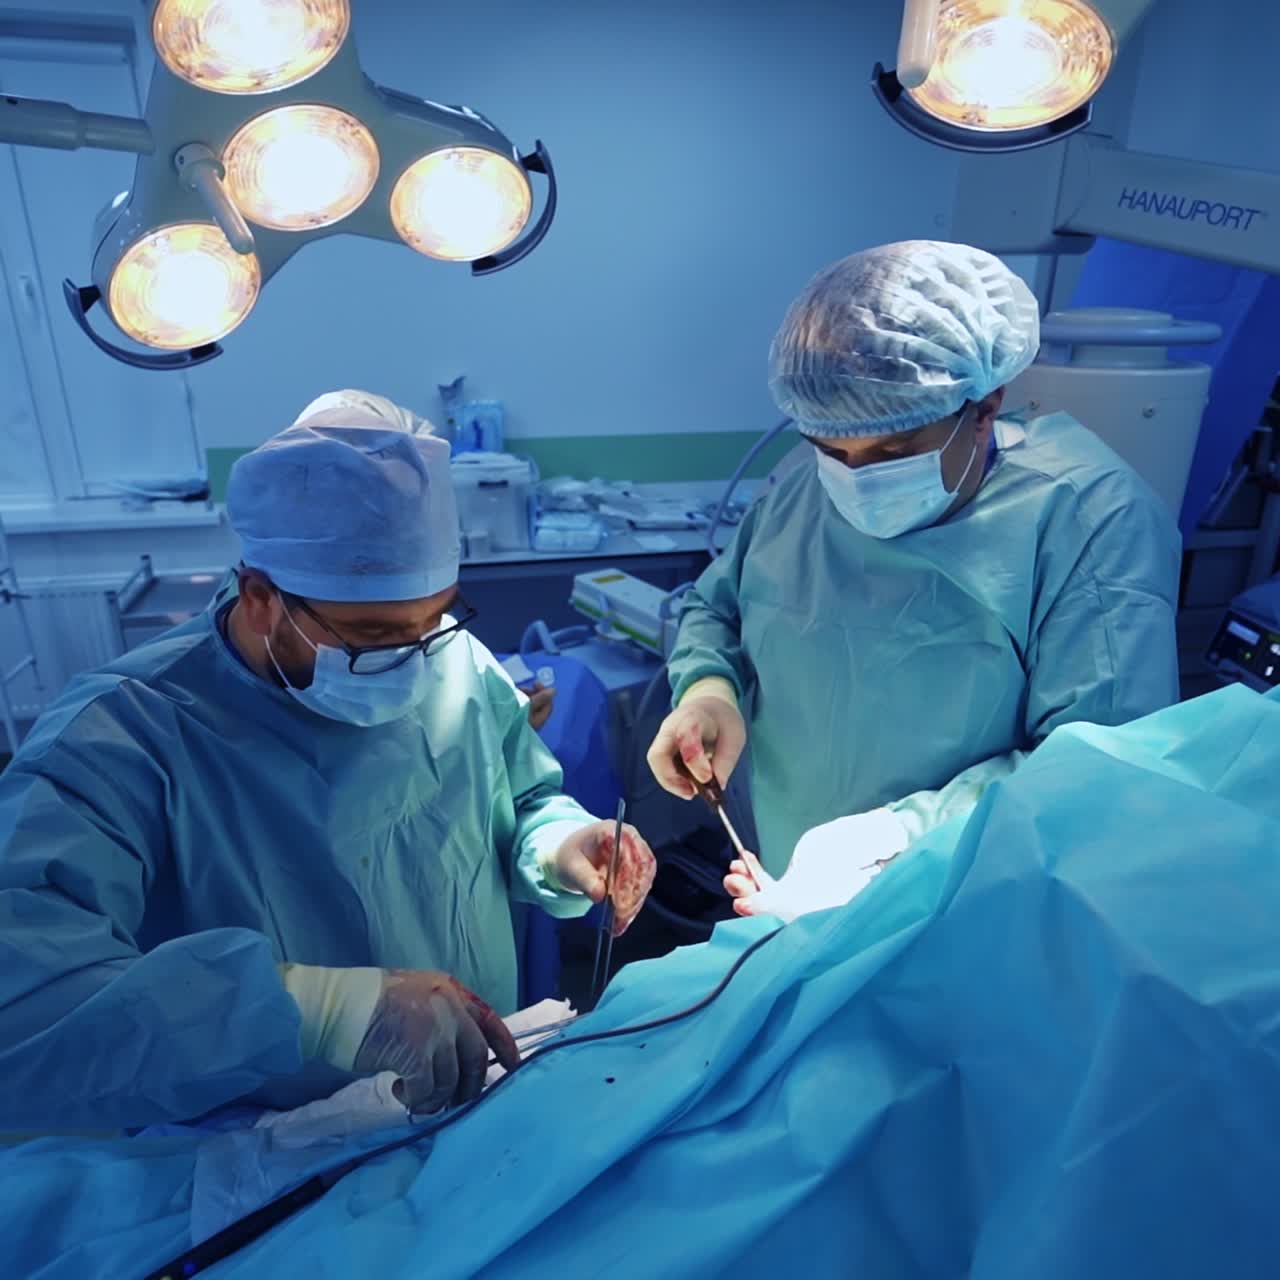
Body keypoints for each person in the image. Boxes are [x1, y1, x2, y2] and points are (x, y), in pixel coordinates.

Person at [0, 390, 655, 1130]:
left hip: (468, 1098)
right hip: (261, 1145)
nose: (412, 656)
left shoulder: (456, 665)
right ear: (258, 598)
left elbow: (523, 800)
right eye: (372, 635)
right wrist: (331, 1013)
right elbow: (26, 997)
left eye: (434, 615)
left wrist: (566, 849)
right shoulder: (123, 735)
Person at [647, 240, 1181, 920]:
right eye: (829, 449)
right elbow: (716, 608)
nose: (853, 476)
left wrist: (894, 843)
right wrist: (709, 693)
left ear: (985, 405)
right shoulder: (802, 495)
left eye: (894, 450)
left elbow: (1097, 771)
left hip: (974, 902)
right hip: (797, 896)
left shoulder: (1086, 519)